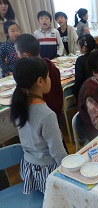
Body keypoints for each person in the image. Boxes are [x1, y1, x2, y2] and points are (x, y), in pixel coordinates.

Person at [10, 57, 68, 194]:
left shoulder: (19, 105)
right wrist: (70, 171)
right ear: (40, 81)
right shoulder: (47, 115)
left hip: (29, 168)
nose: (50, 79)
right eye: (48, 76)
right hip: (47, 172)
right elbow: (58, 152)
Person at [14, 34, 63, 121]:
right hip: (56, 109)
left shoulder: (34, 74)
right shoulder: (50, 64)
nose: (17, 56)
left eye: (17, 53)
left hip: (45, 114)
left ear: (26, 55)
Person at [73, 34, 98, 101]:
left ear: (84, 48)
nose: (78, 47)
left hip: (88, 91)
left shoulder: (80, 60)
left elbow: (79, 80)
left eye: (78, 46)